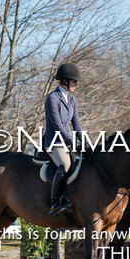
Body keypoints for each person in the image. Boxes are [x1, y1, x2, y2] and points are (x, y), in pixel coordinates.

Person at [43, 63, 84, 217]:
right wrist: (74, 141)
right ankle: (55, 202)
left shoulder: (72, 100)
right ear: (65, 81)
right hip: (55, 141)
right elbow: (58, 125)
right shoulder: (52, 98)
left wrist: (85, 142)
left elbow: (77, 124)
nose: (76, 85)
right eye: (74, 81)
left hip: (69, 140)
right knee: (65, 164)